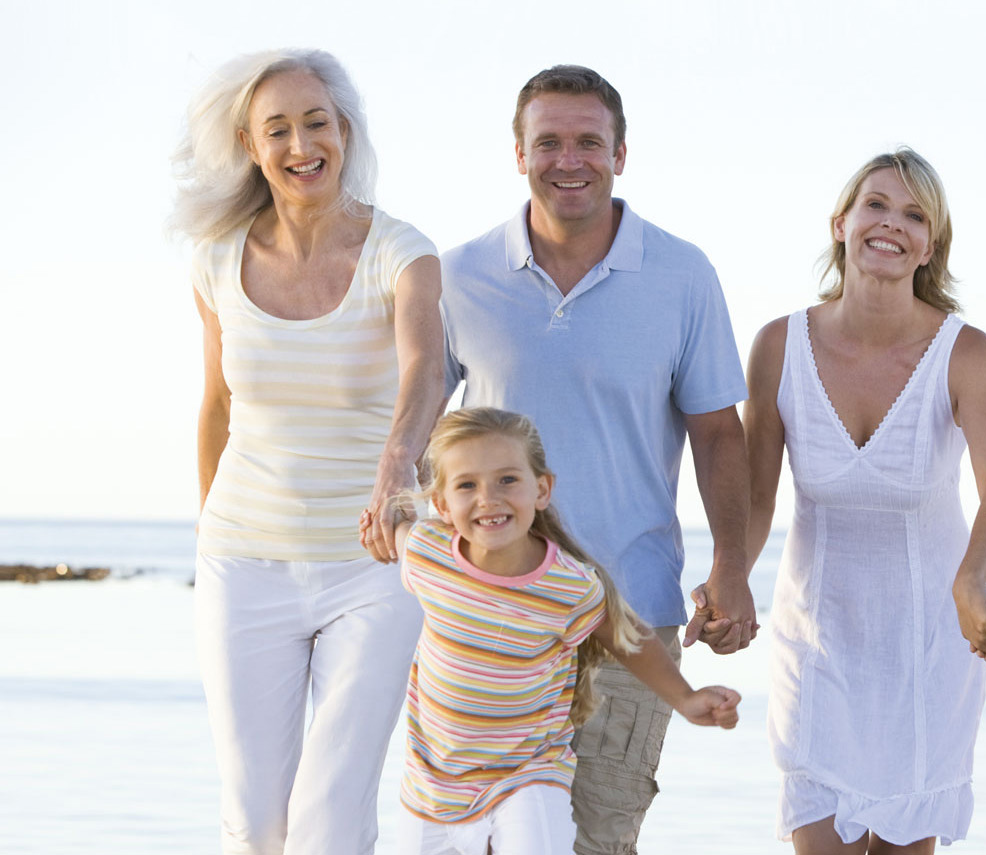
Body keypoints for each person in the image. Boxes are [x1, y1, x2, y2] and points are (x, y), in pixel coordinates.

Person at [439, 64, 753, 853]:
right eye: (548, 142)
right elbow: (413, 428)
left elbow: (720, 432)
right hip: (492, 619)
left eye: (589, 141)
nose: (568, 160)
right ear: (518, 154)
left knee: (599, 841)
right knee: (479, 841)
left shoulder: (683, 274)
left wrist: (733, 567)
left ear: (621, 152)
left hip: (632, 615)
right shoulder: (458, 276)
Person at [172, 49, 444, 853]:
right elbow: (218, 404)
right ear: (251, 148)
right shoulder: (215, 261)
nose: (301, 145)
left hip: (373, 561)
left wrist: (398, 462)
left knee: (329, 812)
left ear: (345, 131)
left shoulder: (402, 251)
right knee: (256, 821)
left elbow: (427, 367)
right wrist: (207, 533)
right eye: (278, 129)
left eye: (316, 122)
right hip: (242, 561)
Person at [743, 147, 986, 854]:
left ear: (932, 244)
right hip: (817, 641)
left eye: (915, 214)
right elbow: (752, 498)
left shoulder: (966, 353)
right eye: (876, 204)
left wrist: (972, 582)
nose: (891, 224)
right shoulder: (779, 346)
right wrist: (727, 581)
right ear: (841, 221)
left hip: (928, 643)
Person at [361, 407, 741, 855]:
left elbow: (626, 636)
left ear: (541, 489)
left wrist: (686, 698)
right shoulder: (429, 554)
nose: (488, 498)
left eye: (507, 480)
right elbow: (394, 532)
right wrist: (378, 524)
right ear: (442, 504)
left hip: (529, 778)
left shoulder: (566, 584)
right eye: (467, 485)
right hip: (434, 791)